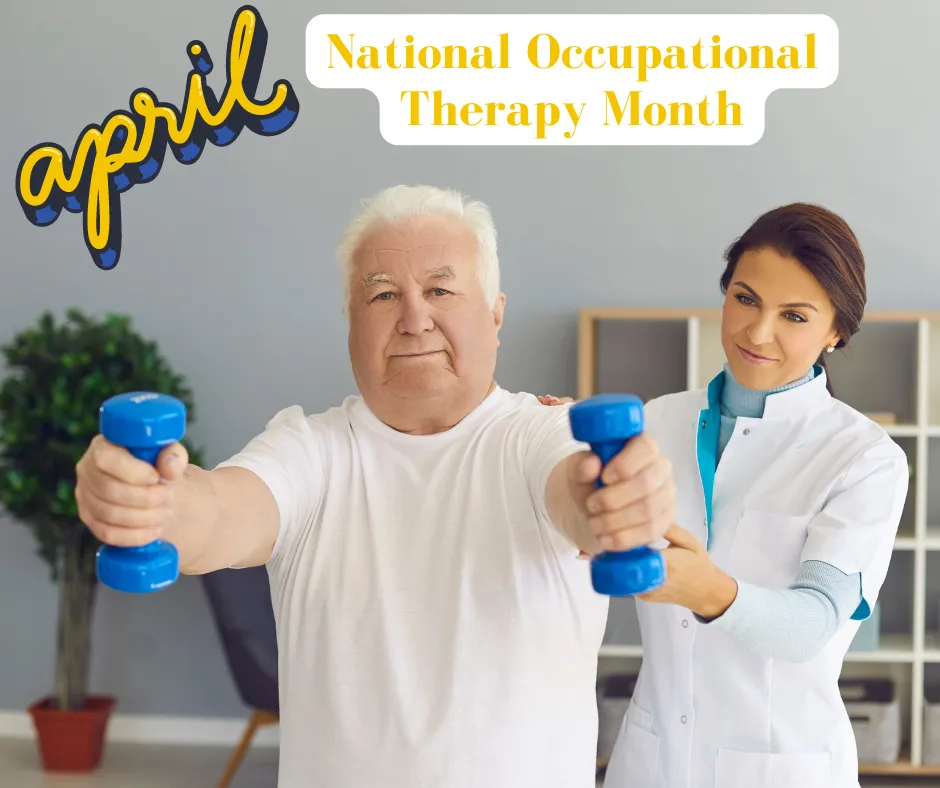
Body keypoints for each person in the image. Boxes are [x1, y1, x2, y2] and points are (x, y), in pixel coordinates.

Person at [73, 184, 677, 788]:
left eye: (440, 289)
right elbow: (218, 513)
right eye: (384, 294)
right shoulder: (308, 450)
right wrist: (151, 501)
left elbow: (576, 490)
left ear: (494, 314)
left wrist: (612, 498)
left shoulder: (543, 435)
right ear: (350, 323)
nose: (415, 319)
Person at [542, 202, 909, 788]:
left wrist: (709, 590)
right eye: (745, 299)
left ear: (835, 331)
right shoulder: (655, 424)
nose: (757, 333)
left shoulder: (864, 458)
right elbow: (584, 523)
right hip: (652, 760)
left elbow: (814, 623)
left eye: (794, 316)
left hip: (780, 764)